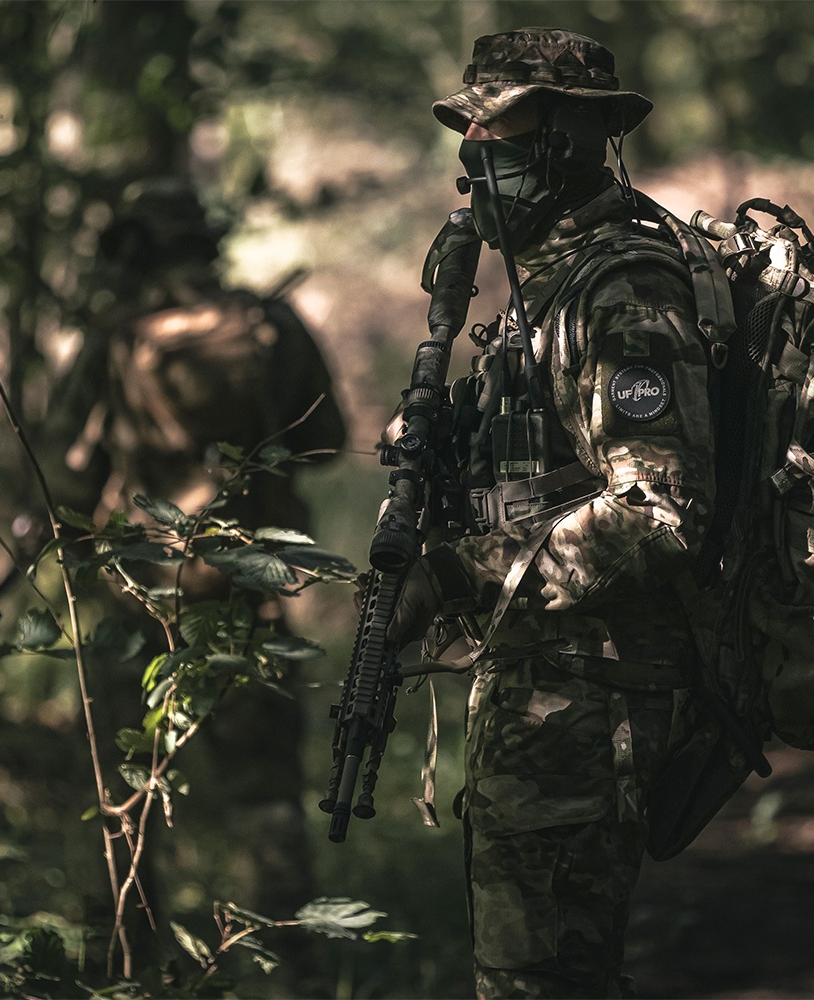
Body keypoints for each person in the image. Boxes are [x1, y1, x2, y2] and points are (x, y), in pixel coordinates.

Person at [386, 28, 715, 998]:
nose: (474, 159)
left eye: (500, 132)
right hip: (547, 691)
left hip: (591, 700)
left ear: (572, 138)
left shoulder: (625, 292)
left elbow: (658, 507)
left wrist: (460, 572)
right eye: (469, 134)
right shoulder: (548, 292)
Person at [47, 177, 348, 945]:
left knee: (128, 794)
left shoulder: (117, 334)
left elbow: (64, 471)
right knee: (265, 798)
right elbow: (330, 440)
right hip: (250, 592)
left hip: (137, 599)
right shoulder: (269, 323)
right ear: (206, 242)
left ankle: (127, 964)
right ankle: (289, 970)